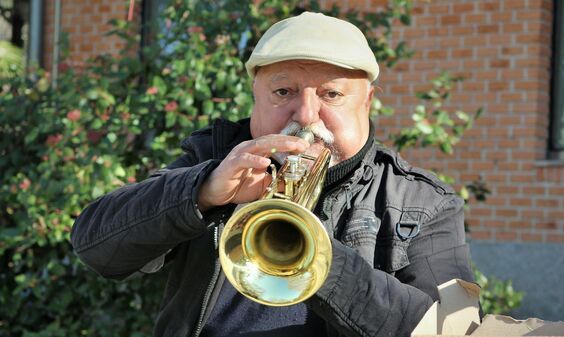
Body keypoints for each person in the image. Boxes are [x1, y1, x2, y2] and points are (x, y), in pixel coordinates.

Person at [71, 12, 476, 337]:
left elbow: (452, 328)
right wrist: (204, 190)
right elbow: (94, 245)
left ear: (367, 101)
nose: (305, 116)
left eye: (331, 94)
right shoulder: (212, 157)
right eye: (283, 92)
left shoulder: (424, 202)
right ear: (255, 96)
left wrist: (316, 261)